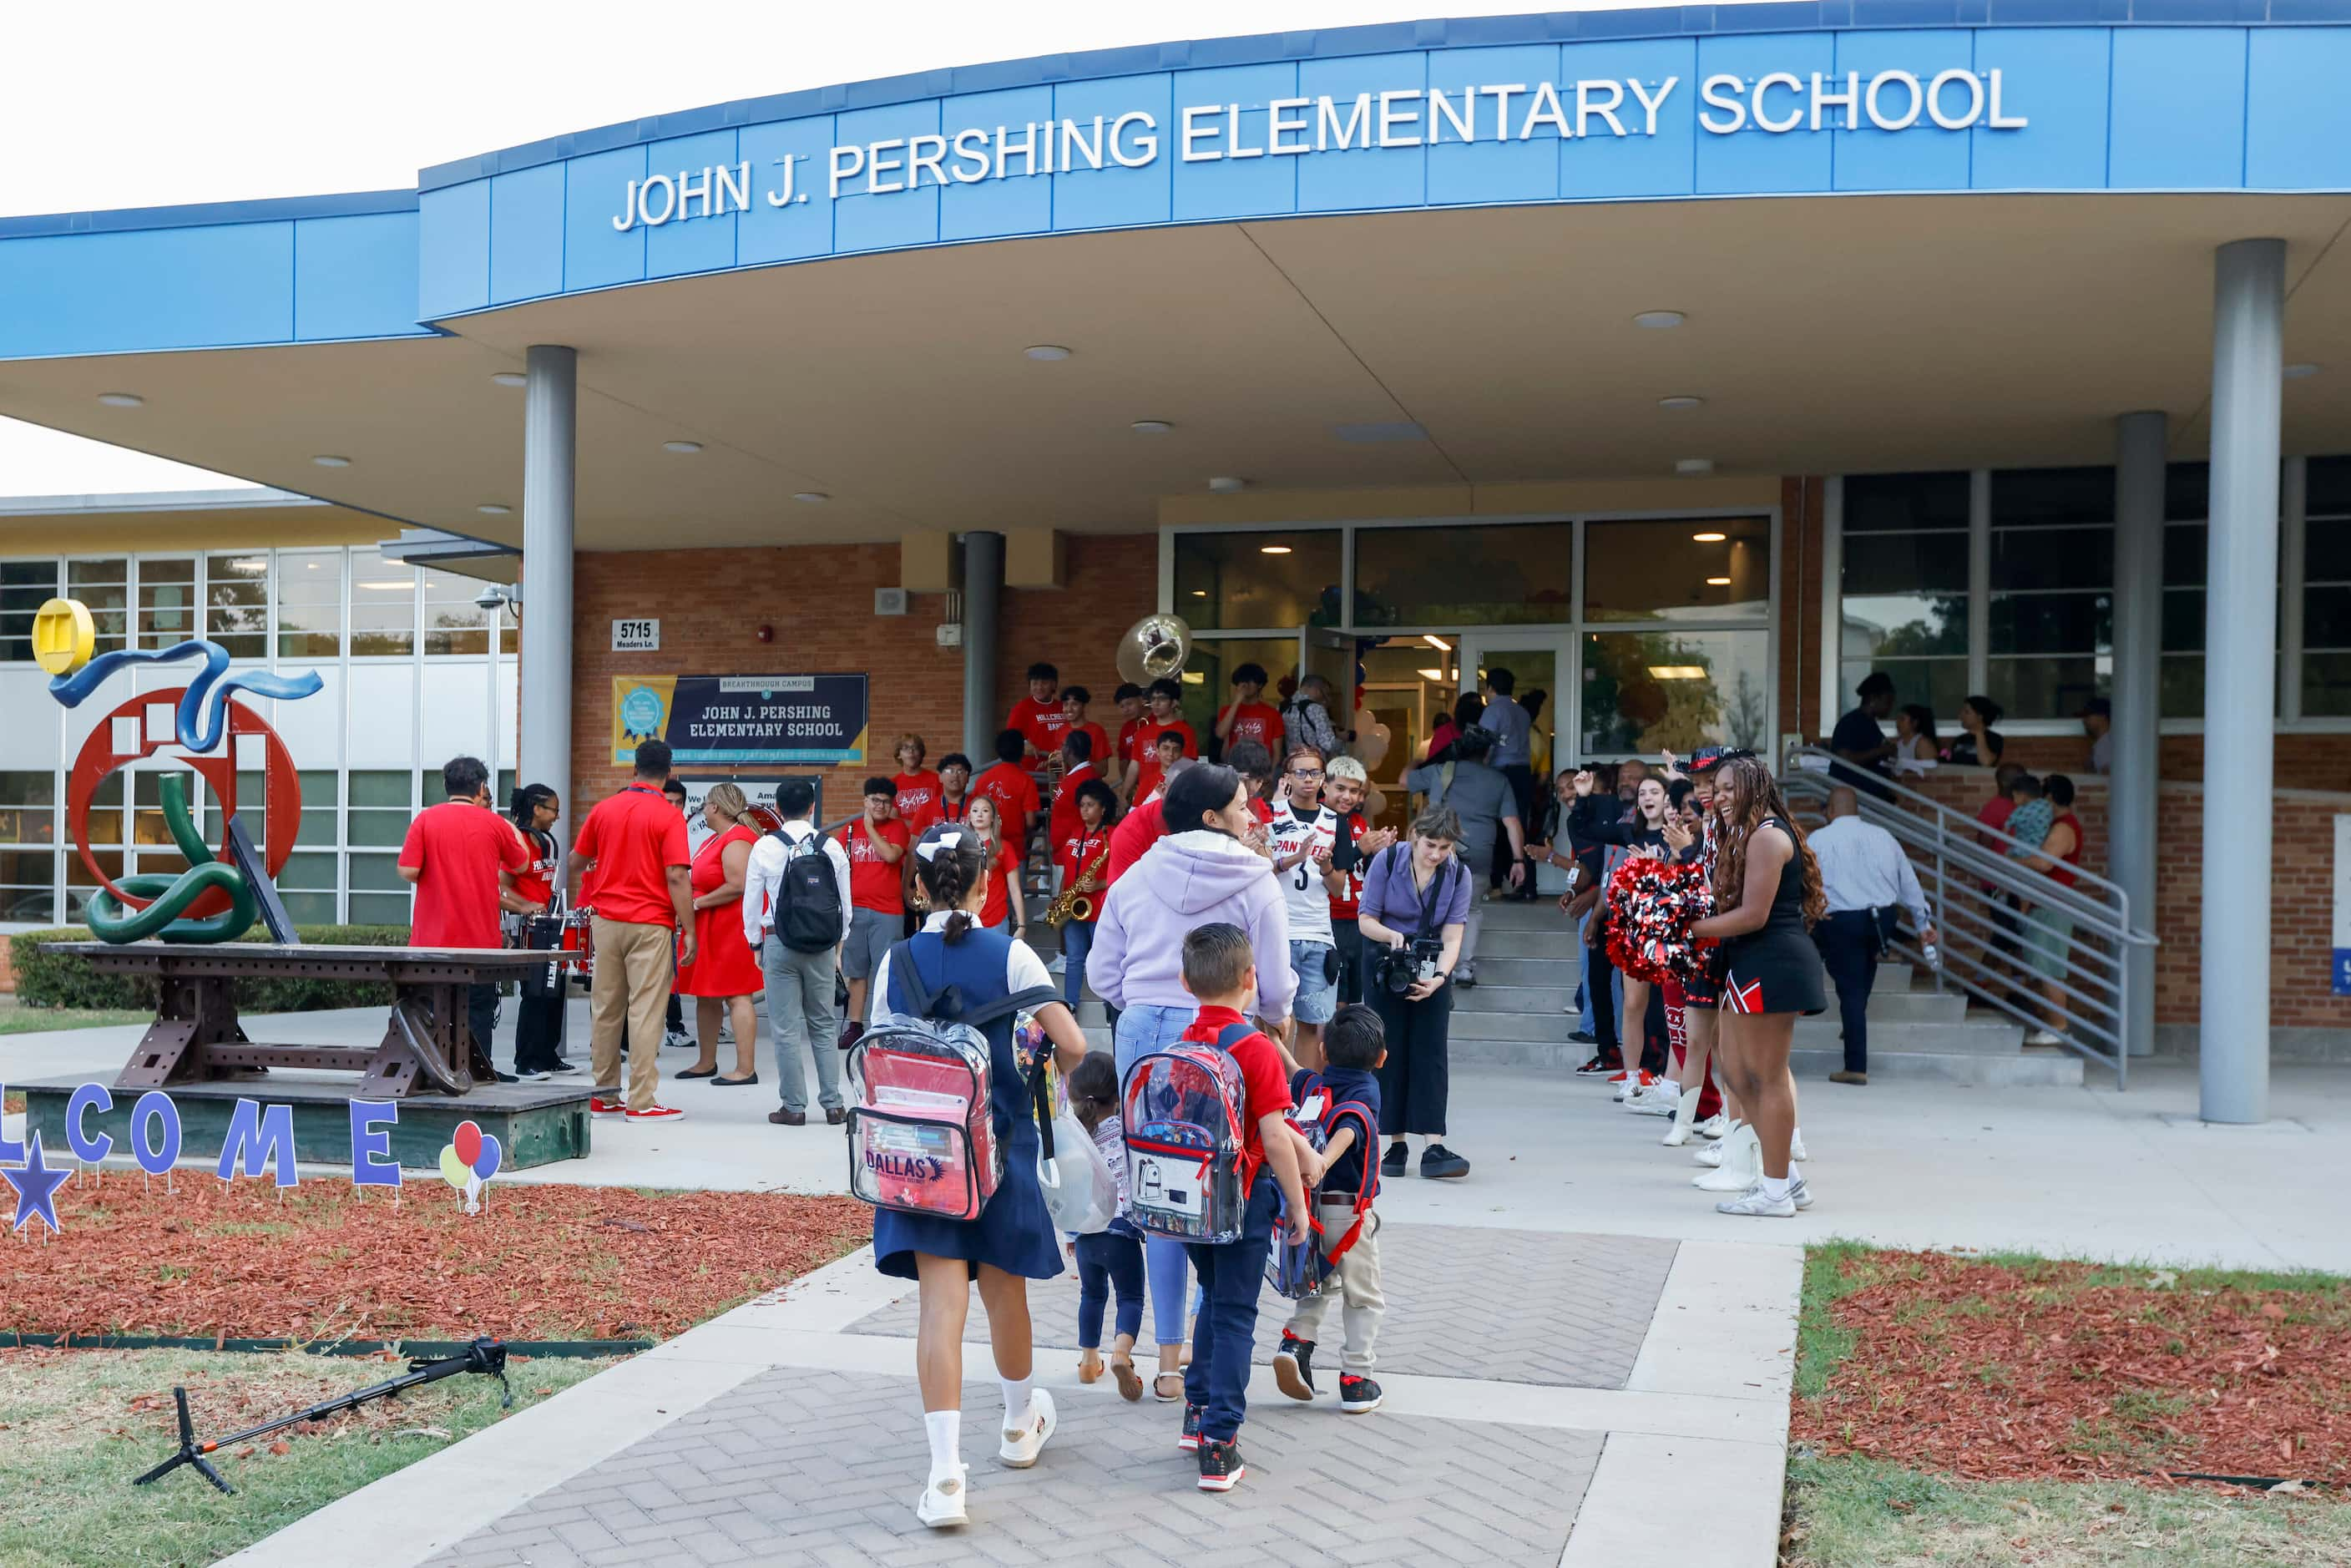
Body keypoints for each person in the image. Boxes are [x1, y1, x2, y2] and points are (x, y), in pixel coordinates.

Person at [867, 822, 1089, 1530]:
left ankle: (943, 1478)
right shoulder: (1015, 955)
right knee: (1004, 1294)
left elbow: (879, 1050)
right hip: (997, 1147)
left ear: (918, 887)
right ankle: (1021, 1425)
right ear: (987, 883)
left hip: (922, 1157)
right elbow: (1074, 1044)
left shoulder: (895, 960)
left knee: (940, 1308)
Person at [1087, 763, 1297, 1403]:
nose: (1253, 814)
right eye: (1241, 805)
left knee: (1159, 1191)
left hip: (1142, 1028)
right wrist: (1273, 1025)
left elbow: (1101, 974)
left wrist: (1144, 1001)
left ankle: (1166, 1356)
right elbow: (1278, 982)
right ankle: (1199, 1361)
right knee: (1219, 1190)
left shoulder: (1137, 871)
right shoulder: (1254, 878)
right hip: (1219, 1031)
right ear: (1211, 817)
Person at [1167, 923, 1313, 1494]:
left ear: (1185, 981)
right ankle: (1219, 1444)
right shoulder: (1254, 1048)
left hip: (1192, 1203)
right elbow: (1276, 1138)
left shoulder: (1184, 1041)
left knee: (1216, 1301)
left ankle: (1197, 1409)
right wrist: (1298, 1206)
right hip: (1244, 1202)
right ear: (1251, 979)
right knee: (1234, 1315)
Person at [1691, 756, 1828, 1217]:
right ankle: (1787, 1180)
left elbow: (1754, 916)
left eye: (1729, 788)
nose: (1721, 796)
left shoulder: (1768, 836)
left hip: (1772, 964)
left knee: (1766, 1078)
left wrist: (1691, 928)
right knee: (1734, 1073)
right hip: (1747, 964)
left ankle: (1773, 1195)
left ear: (1754, 788)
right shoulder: (1747, 836)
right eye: (1717, 788)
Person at [1272, 1001, 1388, 1416]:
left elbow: (1295, 1074)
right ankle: (1357, 1378)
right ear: (1381, 1058)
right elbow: (1351, 1126)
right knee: (1364, 1296)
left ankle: (1296, 1343)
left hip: (1310, 1211)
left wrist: (1276, 1044)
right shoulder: (1366, 1090)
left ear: (1324, 1052)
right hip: (1350, 1215)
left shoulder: (1317, 1086)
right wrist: (1323, 1161)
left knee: (1319, 1282)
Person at [569, 740, 695, 1122]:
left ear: (633, 770)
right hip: (650, 923)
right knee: (645, 1011)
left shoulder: (604, 809)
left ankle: (604, 1095)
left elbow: (576, 861)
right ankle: (641, 1101)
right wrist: (689, 928)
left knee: (605, 1009)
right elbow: (676, 875)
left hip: (606, 921)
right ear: (668, 773)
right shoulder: (669, 815)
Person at [397, 755, 533, 1084]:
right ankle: (478, 1071)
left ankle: (433, 1071)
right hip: (479, 939)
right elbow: (522, 865)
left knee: (429, 1008)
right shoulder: (494, 824)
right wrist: (509, 825)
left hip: (432, 939)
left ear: (447, 786)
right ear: (482, 787)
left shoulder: (426, 820)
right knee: (478, 1010)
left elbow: (408, 870)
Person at [1358, 807, 1471, 1180]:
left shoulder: (1459, 873)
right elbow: (1365, 919)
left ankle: (1433, 1144)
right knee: (1387, 1051)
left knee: (1430, 1053)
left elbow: (1454, 935)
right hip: (1386, 958)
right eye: (1429, 845)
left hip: (1430, 961)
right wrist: (1392, 937)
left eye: (1444, 847)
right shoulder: (1388, 860)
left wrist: (1439, 977)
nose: (1436, 854)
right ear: (1415, 835)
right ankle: (1394, 1143)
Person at [743, 776, 852, 1128]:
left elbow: (750, 902)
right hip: (821, 944)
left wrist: (755, 942)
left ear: (776, 809)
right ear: (812, 807)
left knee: (786, 1028)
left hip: (779, 940)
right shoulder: (831, 847)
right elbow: (845, 907)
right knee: (822, 1025)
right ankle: (834, 1105)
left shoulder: (765, 847)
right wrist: (838, 945)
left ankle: (793, 1107)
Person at [1808, 785, 1935, 1085]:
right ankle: (1855, 1021)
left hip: (1840, 919)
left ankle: (1855, 1066)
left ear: (1830, 811)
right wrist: (1923, 925)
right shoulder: (1884, 837)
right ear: (1857, 810)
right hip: (1882, 919)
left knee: (1849, 987)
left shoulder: (1818, 839)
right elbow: (1909, 882)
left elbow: (1807, 882)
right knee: (1864, 968)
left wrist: (1809, 912)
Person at [1569, 766, 1672, 1095]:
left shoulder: (1682, 835)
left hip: (1669, 934)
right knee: (1633, 1005)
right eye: (1643, 794)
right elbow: (1587, 830)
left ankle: (1662, 1073)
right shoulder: (1631, 833)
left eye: (1654, 792)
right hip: (1636, 929)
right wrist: (1583, 798)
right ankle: (1632, 1076)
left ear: (1667, 798)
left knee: (1663, 1008)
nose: (1646, 798)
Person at [1401, 726, 1524, 986]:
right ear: (1487, 753)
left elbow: (1404, 781)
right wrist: (1518, 861)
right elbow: (1511, 822)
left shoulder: (1440, 771)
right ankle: (1464, 969)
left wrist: (1417, 758)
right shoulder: (1498, 780)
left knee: (1429, 906)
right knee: (1472, 910)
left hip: (1437, 849)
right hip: (1480, 851)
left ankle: (1428, 966)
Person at [1064, 1050, 1145, 1403]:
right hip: (1121, 1230)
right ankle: (1121, 1354)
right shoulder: (1128, 1131)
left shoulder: (1072, 1137)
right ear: (1117, 1096)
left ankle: (1087, 1361)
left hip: (1085, 1232)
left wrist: (1070, 1234)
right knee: (1130, 1297)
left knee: (1091, 1295)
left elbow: (1065, 1189)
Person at [674, 782, 764, 1086]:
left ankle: (745, 1069)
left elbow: (737, 885)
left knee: (738, 996)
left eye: (706, 803)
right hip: (711, 927)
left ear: (715, 807)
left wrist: (695, 903)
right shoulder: (715, 839)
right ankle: (705, 1061)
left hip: (731, 927)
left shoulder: (738, 838)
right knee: (707, 996)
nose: (702, 808)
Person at [1267, 745, 1345, 1070]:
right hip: (1277, 931)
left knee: (1313, 1024)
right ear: (1287, 778)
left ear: (1324, 779)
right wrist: (1293, 859)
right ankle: (1274, 1096)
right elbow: (1258, 869)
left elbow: (1340, 889)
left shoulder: (1335, 822)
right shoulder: (1272, 816)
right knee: (1274, 1023)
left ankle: (1303, 1100)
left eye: (1315, 773)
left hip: (1317, 933)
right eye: (1301, 772)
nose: (1308, 779)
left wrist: (1326, 866)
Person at [836, 776, 910, 1053]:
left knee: (886, 972)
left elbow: (891, 856)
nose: (880, 805)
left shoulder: (898, 828)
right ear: (865, 801)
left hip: (887, 911)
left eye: (886, 802)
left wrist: (869, 827)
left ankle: (886, 1025)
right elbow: (839, 864)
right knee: (856, 973)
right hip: (855, 910)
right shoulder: (850, 829)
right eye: (875, 800)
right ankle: (855, 1025)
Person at [504, 783, 574, 1079]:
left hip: (550, 924)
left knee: (554, 991)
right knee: (534, 993)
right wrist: (525, 905)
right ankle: (527, 1060)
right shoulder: (518, 842)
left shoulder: (547, 841)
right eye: (553, 810)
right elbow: (500, 885)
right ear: (537, 809)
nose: (557, 816)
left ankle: (548, 1055)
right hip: (528, 928)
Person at [2015, 773, 2085, 1047]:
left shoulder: (2064, 828)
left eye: (2042, 797)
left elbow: (2043, 864)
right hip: (2045, 904)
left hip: (2051, 906)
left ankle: (2059, 1027)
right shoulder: (2057, 825)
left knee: (2049, 967)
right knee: (2042, 965)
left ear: (2051, 798)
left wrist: (2015, 862)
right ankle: (2054, 1025)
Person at [1322, 756, 1394, 1008]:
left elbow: (1365, 872)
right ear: (1325, 787)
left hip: (1360, 920)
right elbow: (1324, 868)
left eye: (1354, 791)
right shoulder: (1319, 820)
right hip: (1330, 919)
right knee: (1335, 1001)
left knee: (1355, 999)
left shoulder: (1359, 822)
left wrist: (1382, 852)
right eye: (1340, 789)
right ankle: (1330, 1048)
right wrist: (1360, 850)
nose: (1348, 797)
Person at [1052, 780, 1117, 1010]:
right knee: (1074, 958)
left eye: (1090, 805)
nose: (1085, 810)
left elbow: (1124, 871)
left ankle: (1110, 1004)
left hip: (1098, 906)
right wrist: (1061, 897)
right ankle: (1070, 1003)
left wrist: (1100, 883)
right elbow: (1068, 870)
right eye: (1082, 805)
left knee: (1104, 959)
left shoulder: (1112, 835)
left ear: (1103, 808)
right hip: (1073, 905)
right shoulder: (1075, 832)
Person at [1479, 668, 1537, 897]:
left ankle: (1502, 883)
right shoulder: (1522, 712)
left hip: (1500, 773)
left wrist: (1479, 773)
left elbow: (1484, 746)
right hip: (1523, 772)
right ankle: (1528, 886)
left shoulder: (1492, 712)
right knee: (1520, 825)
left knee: (1500, 828)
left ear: (1490, 688)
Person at [1124, 678, 1196, 802]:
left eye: (1162, 699)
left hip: (1174, 796)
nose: (1155, 703)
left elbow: (1188, 767)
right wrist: (1123, 794)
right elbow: (1134, 766)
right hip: (1145, 795)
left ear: (1174, 703)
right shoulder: (1142, 732)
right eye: (1153, 699)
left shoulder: (1186, 731)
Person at [1829, 672, 1899, 799]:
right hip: (1854, 799)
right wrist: (1881, 751)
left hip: (1871, 798)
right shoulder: (1851, 722)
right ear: (1873, 699)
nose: (1890, 707)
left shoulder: (1871, 724)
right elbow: (1844, 758)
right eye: (1887, 702)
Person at [966, 795, 1026, 938]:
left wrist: (1022, 925)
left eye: (985, 811)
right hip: (966, 919)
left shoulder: (1004, 847)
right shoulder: (961, 846)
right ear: (969, 817)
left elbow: (1015, 889)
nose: (979, 814)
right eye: (975, 811)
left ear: (993, 817)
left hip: (996, 920)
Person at [973, 729, 1041, 850]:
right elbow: (1030, 822)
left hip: (987, 846)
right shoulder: (1026, 780)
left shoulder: (982, 779)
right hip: (1015, 848)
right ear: (1022, 752)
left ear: (998, 751)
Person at [1007, 660, 1067, 778]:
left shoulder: (1063, 707)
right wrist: (1023, 744)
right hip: (1034, 774)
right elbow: (1010, 740)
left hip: (1062, 773)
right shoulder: (1021, 709)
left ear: (1054, 685)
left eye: (1044, 683)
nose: (1039, 687)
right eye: (1035, 683)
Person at [1048, 729, 1102, 855]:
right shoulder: (1076, 776)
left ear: (1069, 750)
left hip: (1073, 853)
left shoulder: (1084, 779)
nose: (1061, 749)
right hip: (1065, 850)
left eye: (1063, 745)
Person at [1214, 662, 1284, 761]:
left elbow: (1277, 752)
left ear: (1260, 684)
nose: (1245, 685)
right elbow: (1220, 734)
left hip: (1261, 770)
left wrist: (1271, 774)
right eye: (1241, 681)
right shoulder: (1227, 710)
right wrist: (1237, 701)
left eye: (1249, 681)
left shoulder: (1273, 714)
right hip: (1234, 768)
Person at [892, 735, 945, 837]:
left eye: (915, 748)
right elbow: (893, 819)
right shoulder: (892, 784)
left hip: (931, 837)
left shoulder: (937, 780)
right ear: (899, 754)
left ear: (921, 753)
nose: (911, 751)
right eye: (905, 748)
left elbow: (942, 813)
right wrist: (919, 828)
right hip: (903, 839)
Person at [1058, 685, 1112, 782]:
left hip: (1088, 788)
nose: (1069, 709)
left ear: (1083, 706)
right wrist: (1051, 763)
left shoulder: (1096, 731)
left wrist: (1073, 759)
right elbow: (1058, 767)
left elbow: (1103, 770)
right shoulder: (1060, 731)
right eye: (1065, 704)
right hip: (1065, 787)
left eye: (1074, 704)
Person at [1286, 673, 1344, 762]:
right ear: (1315, 689)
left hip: (1291, 764)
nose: (1325, 698)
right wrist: (1342, 744)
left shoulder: (1283, 707)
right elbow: (1328, 744)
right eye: (1324, 692)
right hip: (1314, 766)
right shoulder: (1316, 709)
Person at [1421, 692, 1482, 766]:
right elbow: (1432, 766)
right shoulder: (1444, 732)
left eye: (1478, 709)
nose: (1474, 713)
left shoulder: (1484, 732)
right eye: (1470, 708)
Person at [1112, 682, 1150, 797]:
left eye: (1129, 704)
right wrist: (1129, 786)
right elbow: (1123, 760)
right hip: (1137, 787)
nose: (1126, 710)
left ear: (1141, 700)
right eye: (1122, 706)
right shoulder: (1126, 728)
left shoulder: (1156, 721)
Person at [1946, 695, 2005, 768]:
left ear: (1980, 716)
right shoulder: (1960, 739)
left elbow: (1986, 762)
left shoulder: (1994, 738)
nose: (1960, 716)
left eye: (1967, 712)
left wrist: (1979, 733)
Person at [1891, 705, 1939, 776]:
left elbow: (1929, 772)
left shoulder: (1923, 743)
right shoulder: (1895, 742)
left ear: (1915, 723)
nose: (1898, 722)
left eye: (1902, 719)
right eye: (1897, 719)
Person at [937, 753, 974, 823]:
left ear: (968, 778)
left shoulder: (979, 806)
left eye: (960, 771)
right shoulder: (926, 808)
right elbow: (916, 834)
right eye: (950, 771)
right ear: (940, 777)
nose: (955, 775)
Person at [2081, 696, 2112, 774]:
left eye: (2088, 715)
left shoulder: (2108, 742)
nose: (2084, 720)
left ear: (2102, 716)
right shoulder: (2102, 742)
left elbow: (2108, 774)